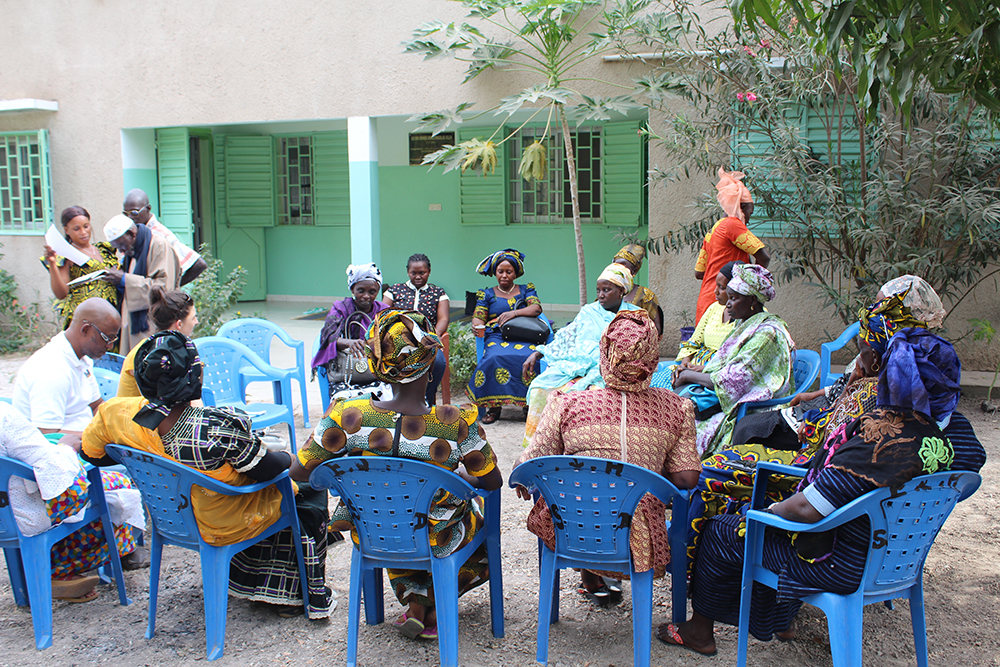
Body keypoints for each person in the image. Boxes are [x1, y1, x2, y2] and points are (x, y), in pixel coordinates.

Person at [657, 296, 986, 657]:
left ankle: (700, 630)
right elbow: (964, 480)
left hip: (842, 563)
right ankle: (779, 619)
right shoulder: (959, 439)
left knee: (726, 528)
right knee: (771, 515)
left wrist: (764, 511)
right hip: (897, 557)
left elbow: (807, 510)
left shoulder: (877, 439)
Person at [81, 331, 332, 618]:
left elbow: (92, 455)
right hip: (221, 521)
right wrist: (294, 457)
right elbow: (266, 469)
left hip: (172, 518)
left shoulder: (114, 414)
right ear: (193, 377)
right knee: (305, 487)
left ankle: (247, 579)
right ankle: (288, 593)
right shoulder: (213, 428)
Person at [294, 310, 502, 640]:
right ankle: (432, 603)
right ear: (432, 364)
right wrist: (466, 478)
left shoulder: (347, 415)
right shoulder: (453, 421)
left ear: (379, 364)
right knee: (474, 533)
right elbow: (492, 482)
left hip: (374, 533)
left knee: (393, 516)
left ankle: (418, 606)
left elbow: (299, 470)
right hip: (437, 537)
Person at [515, 310, 700, 601]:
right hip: (638, 540)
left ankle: (588, 578)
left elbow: (529, 464)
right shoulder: (676, 408)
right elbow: (687, 477)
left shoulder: (568, 402)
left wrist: (525, 476)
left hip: (571, 531)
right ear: (652, 357)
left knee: (581, 485)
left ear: (605, 351)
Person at [0, 401, 147, 602]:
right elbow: (54, 469)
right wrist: (66, 447)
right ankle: (63, 568)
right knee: (115, 485)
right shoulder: (4, 415)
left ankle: (44, 573)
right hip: (27, 517)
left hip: (5, 519)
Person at [673, 264, 792, 458]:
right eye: (729, 297)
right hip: (727, 395)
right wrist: (695, 371)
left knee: (684, 431)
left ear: (753, 300)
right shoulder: (745, 324)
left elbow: (735, 380)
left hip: (749, 407)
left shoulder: (767, 334)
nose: (728, 304)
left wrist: (688, 375)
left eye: (734, 298)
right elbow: (723, 364)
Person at [520, 263, 642, 448]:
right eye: (598, 290)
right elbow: (567, 335)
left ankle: (583, 447)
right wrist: (539, 352)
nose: (600, 295)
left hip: (613, 369)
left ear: (621, 291)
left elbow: (639, 350)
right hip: (578, 363)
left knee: (592, 394)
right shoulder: (589, 311)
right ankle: (539, 446)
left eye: (607, 290)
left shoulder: (635, 316)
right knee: (540, 387)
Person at [12, 298, 121, 436]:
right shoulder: (52, 370)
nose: (110, 346)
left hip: (84, 438)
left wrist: (118, 425)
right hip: (59, 449)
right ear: (86, 329)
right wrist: (99, 437)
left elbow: (96, 405)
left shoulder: (82, 359)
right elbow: (47, 435)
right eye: (107, 338)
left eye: (113, 340)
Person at [467, 249, 543, 424]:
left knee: (531, 356)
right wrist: (477, 323)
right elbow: (479, 314)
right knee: (494, 357)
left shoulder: (526, 289)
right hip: (497, 336)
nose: (504, 275)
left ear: (515, 273)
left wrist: (514, 314)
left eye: (509, 272)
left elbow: (536, 308)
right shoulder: (486, 294)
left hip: (525, 334)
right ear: (495, 272)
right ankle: (494, 406)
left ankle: (529, 405)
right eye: (500, 271)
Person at [693, 168, 770, 322]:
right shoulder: (733, 225)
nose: (748, 218)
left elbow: (699, 273)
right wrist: (750, 286)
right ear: (741, 207)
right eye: (750, 212)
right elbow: (764, 257)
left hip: (707, 302)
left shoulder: (713, 230)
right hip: (728, 303)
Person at [101, 215, 181, 354]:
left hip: (155, 324)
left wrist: (124, 279)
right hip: (133, 323)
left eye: (121, 245)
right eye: (117, 248)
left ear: (132, 234)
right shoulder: (133, 250)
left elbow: (163, 289)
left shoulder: (159, 246)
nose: (121, 251)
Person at [312, 262, 389, 400]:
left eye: (372, 292)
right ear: (352, 289)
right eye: (361, 291)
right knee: (345, 405)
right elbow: (328, 336)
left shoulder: (383, 311)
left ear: (378, 291)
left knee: (389, 395)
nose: (366, 296)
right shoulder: (341, 308)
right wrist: (349, 343)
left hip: (377, 373)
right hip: (345, 374)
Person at [384, 253, 449, 406]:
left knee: (438, 362)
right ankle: (397, 399)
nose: (418, 276)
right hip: (399, 340)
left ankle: (425, 399)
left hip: (427, 340)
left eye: (422, 273)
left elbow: (444, 319)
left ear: (429, 272)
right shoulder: (394, 291)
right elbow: (383, 315)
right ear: (408, 272)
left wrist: (432, 337)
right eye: (414, 273)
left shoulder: (438, 293)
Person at [41, 206, 119, 332]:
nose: (83, 232)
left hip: (111, 316)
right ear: (67, 230)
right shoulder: (68, 255)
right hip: (86, 322)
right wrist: (53, 264)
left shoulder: (103, 250)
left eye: (86, 226)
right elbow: (61, 293)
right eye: (76, 229)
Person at [118, 287, 199, 397]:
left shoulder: (176, 349)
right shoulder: (148, 355)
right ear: (179, 324)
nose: (196, 322)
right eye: (193, 318)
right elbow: (163, 402)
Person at [123, 189, 207, 286]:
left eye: (134, 212)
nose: (130, 217)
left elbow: (199, 264)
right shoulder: (135, 233)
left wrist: (172, 288)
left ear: (148, 208)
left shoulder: (159, 235)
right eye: (126, 213)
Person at [677, 260, 739, 369]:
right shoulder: (714, 308)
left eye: (722, 288)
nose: (715, 291)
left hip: (720, 375)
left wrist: (704, 370)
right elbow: (694, 342)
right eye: (716, 286)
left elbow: (742, 361)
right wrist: (686, 361)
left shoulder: (753, 318)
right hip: (694, 367)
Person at [612, 243, 663, 335]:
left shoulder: (645, 295)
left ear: (634, 271)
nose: (619, 269)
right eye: (616, 265)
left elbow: (657, 330)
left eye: (624, 266)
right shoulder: (606, 291)